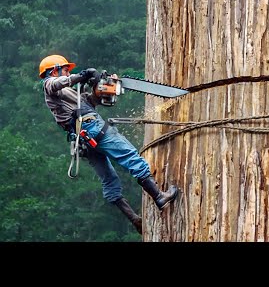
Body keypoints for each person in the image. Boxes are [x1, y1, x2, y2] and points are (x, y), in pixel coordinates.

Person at [39, 54, 179, 235]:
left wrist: (101, 87)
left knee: (109, 180)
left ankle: (134, 219)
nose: (68, 72)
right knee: (130, 155)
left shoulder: (71, 94)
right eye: (66, 70)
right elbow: (56, 83)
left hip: (83, 138)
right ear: (54, 70)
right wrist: (82, 75)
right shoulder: (50, 84)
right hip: (90, 127)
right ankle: (159, 196)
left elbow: (92, 102)